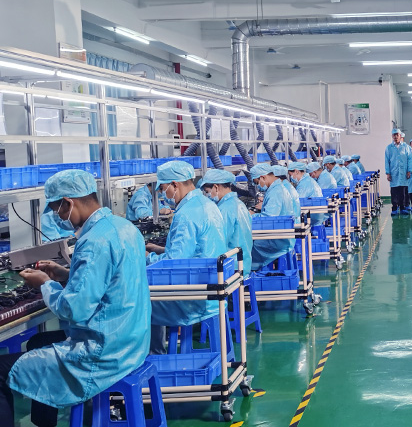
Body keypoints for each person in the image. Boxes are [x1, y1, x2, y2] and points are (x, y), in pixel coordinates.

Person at [1, 170, 150, 427]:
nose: (60, 218)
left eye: (57, 211)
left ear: (68, 203)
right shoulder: (123, 227)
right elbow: (109, 280)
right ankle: (44, 423)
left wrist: (45, 283)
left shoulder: (93, 242)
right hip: (130, 342)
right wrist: (66, 274)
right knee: (38, 341)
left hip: (101, 355)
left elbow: (74, 310)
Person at [145, 161, 227, 354]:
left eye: (163, 188)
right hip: (212, 285)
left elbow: (173, 264)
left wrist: (148, 259)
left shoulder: (186, 214)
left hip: (194, 296)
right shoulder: (208, 204)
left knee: (142, 301)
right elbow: (192, 250)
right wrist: (160, 250)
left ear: (175, 185)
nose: (163, 194)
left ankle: (155, 358)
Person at [201, 169, 252, 277]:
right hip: (243, 263)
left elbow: (218, 242)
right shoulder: (239, 204)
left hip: (231, 267)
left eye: (207, 192)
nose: (208, 195)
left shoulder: (224, 210)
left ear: (216, 187)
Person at [249, 164, 296, 271]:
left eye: (257, 182)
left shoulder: (276, 192)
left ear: (263, 177)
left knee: (248, 249)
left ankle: (251, 273)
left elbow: (268, 219)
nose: (257, 186)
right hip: (282, 235)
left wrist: (251, 216)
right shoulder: (277, 188)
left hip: (278, 241)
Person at [289, 161, 325, 227]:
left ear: (296, 171)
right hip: (316, 215)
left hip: (312, 217)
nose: (291, 178)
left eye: (290, 175)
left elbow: (297, 202)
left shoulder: (305, 184)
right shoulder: (306, 180)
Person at [385, 128, 412, 215]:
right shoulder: (389, 148)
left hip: (403, 172)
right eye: (394, 135)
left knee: (402, 191)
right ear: (392, 136)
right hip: (393, 172)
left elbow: (409, 160)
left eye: (397, 135)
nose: (396, 137)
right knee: (394, 191)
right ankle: (394, 208)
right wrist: (388, 173)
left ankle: (402, 207)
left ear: (400, 136)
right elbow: (387, 161)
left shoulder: (406, 147)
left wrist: (409, 171)